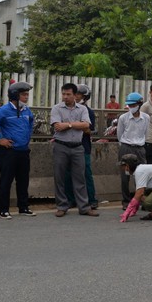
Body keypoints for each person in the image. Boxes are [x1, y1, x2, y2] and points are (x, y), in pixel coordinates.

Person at [0, 82, 35, 219]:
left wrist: (27, 137)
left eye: (27, 94)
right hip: (9, 152)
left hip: (23, 151)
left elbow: (31, 122)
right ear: (15, 95)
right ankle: (3, 210)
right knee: (6, 181)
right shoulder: (4, 110)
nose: (26, 97)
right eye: (24, 94)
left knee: (23, 181)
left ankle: (23, 207)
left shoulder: (26, 110)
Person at [50, 82, 98, 217]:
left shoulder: (82, 109)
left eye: (68, 94)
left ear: (74, 95)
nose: (65, 97)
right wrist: (76, 124)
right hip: (61, 146)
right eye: (63, 94)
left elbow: (86, 125)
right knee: (60, 177)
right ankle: (62, 206)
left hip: (78, 147)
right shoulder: (56, 108)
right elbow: (57, 126)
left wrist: (68, 125)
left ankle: (84, 207)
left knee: (80, 178)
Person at [64, 84, 99, 209]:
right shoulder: (66, 109)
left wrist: (74, 125)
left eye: (78, 94)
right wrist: (77, 125)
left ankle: (91, 199)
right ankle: (71, 199)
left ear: (85, 97)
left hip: (83, 146)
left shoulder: (88, 111)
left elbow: (89, 130)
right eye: (75, 94)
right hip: (68, 144)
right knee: (67, 174)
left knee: (86, 174)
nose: (76, 96)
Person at [117, 92, 149, 209]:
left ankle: (140, 199)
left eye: (133, 105)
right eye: (129, 105)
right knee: (125, 176)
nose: (131, 107)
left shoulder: (146, 118)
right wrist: (125, 146)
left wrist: (140, 144)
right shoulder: (123, 118)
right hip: (126, 147)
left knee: (141, 176)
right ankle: (126, 201)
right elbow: (119, 135)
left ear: (139, 104)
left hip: (140, 148)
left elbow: (146, 133)